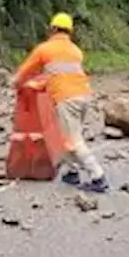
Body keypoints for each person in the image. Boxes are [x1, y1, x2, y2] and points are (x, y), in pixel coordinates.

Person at [12, 12, 109, 193]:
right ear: (70, 32)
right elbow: (59, 74)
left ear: (53, 29)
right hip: (84, 97)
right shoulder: (75, 51)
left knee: (73, 140)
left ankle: (98, 176)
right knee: (67, 135)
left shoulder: (45, 49)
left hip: (67, 98)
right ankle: (72, 172)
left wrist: (16, 84)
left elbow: (24, 71)